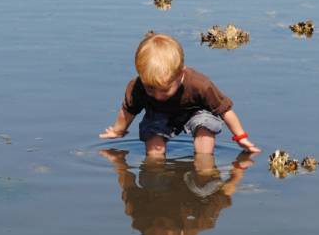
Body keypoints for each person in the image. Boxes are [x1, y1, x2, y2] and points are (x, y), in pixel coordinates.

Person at [100, 149, 254, 235]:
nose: (158, 232)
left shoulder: (139, 219)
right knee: (205, 174)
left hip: (165, 178)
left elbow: (128, 185)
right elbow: (224, 194)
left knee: (153, 161)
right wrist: (239, 170)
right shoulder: (200, 221)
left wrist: (118, 161)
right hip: (196, 175)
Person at [99, 32, 260, 157]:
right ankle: (156, 173)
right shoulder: (138, 86)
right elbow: (128, 111)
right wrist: (118, 130)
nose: (157, 96)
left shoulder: (199, 85)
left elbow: (225, 111)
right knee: (153, 142)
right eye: (150, 89)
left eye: (164, 90)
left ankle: (204, 168)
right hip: (158, 114)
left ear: (180, 74)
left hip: (195, 112)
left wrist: (241, 137)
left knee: (205, 128)